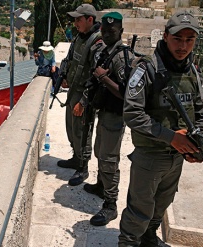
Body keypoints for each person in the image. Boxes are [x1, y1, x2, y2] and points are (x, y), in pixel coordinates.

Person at [118, 12, 203, 247]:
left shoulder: (192, 71)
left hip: (177, 156)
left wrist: (199, 145)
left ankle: (148, 238)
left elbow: (200, 110)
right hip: (151, 154)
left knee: (162, 202)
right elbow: (132, 114)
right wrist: (171, 137)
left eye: (189, 39)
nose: (183, 46)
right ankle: (128, 242)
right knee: (140, 208)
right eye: (178, 39)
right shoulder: (147, 69)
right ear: (166, 37)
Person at [81, 12, 131, 226]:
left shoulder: (121, 57)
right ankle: (101, 186)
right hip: (104, 112)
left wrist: (103, 77)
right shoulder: (106, 52)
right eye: (105, 30)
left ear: (120, 31)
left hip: (115, 115)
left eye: (113, 30)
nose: (108, 33)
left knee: (109, 159)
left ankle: (111, 204)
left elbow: (125, 91)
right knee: (99, 152)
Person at [56, 4, 102, 186]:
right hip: (73, 91)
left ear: (90, 20)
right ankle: (75, 157)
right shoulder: (79, 37)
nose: (75, 23)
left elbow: (96, 76)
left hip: (85, 95)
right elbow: (71, 59)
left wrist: (83, 101)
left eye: (78, 19)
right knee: (71, 128)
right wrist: (65, 76)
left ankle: (83, 167)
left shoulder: (97, 42)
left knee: (83, 131)